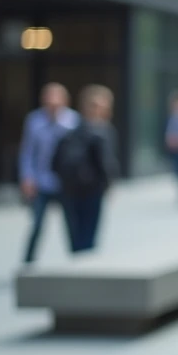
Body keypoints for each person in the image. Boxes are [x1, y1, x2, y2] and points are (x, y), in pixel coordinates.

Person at [17, 83, 79, 265]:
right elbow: (27, 152)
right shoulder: (34, 121)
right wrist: (27, 177)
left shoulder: (73, 122)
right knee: (37, 225)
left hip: (65, 183)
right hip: (41, 181)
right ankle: (28, 262)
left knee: (71, 224)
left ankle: (77, 260)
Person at [54, 86, 120, 252]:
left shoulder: (70, 129)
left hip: (70, 189)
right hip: (91, 188)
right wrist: (109, 183)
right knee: (89, 235)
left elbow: (54, 162)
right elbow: (106, 162)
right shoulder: (102, 131)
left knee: (76, 235)